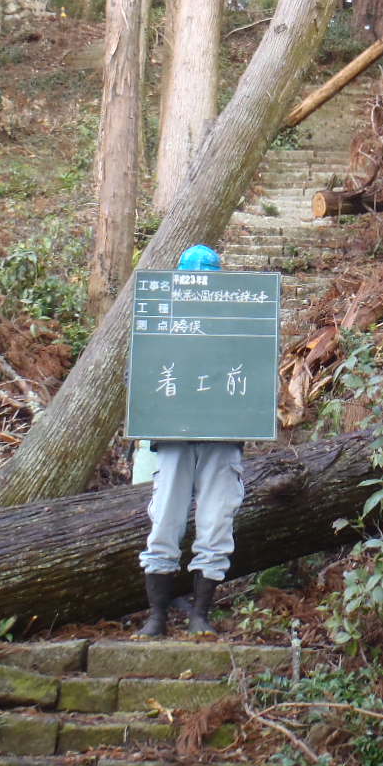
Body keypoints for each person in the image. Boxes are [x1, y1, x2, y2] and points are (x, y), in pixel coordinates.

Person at [137, 243, 245, 637]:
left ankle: (200, 616)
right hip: (172, 439)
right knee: (164, 520)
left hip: (223, 437)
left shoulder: (240, 320)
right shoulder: (159, 318)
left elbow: (254, 371)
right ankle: (157, 617)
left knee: (216, 523)